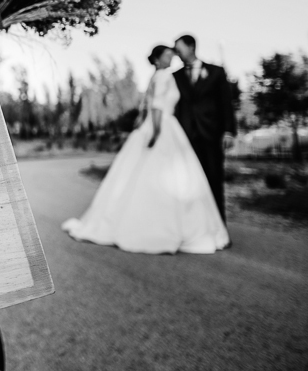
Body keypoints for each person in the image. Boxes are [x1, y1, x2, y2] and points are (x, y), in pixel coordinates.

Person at [62, 45, 229, 254]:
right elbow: (157, 106)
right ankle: (162, 227)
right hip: (162, 126)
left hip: (160, 124)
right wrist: (157, 132)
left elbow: (146, 107)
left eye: (172, 55)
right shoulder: (163, 76)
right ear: (158, 59)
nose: (172, 59)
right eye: (168, 56)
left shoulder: (156, 76)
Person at [172, 34, 237, 224]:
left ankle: (217, 226)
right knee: (188, 182)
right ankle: (193, 224)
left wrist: (228, 131)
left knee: (214, 178)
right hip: (185, 136)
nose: (177, 53)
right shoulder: (175, 76)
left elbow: (226, 103)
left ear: (191, 47)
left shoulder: (216, 72)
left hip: (212, 134)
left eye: (179, 48)